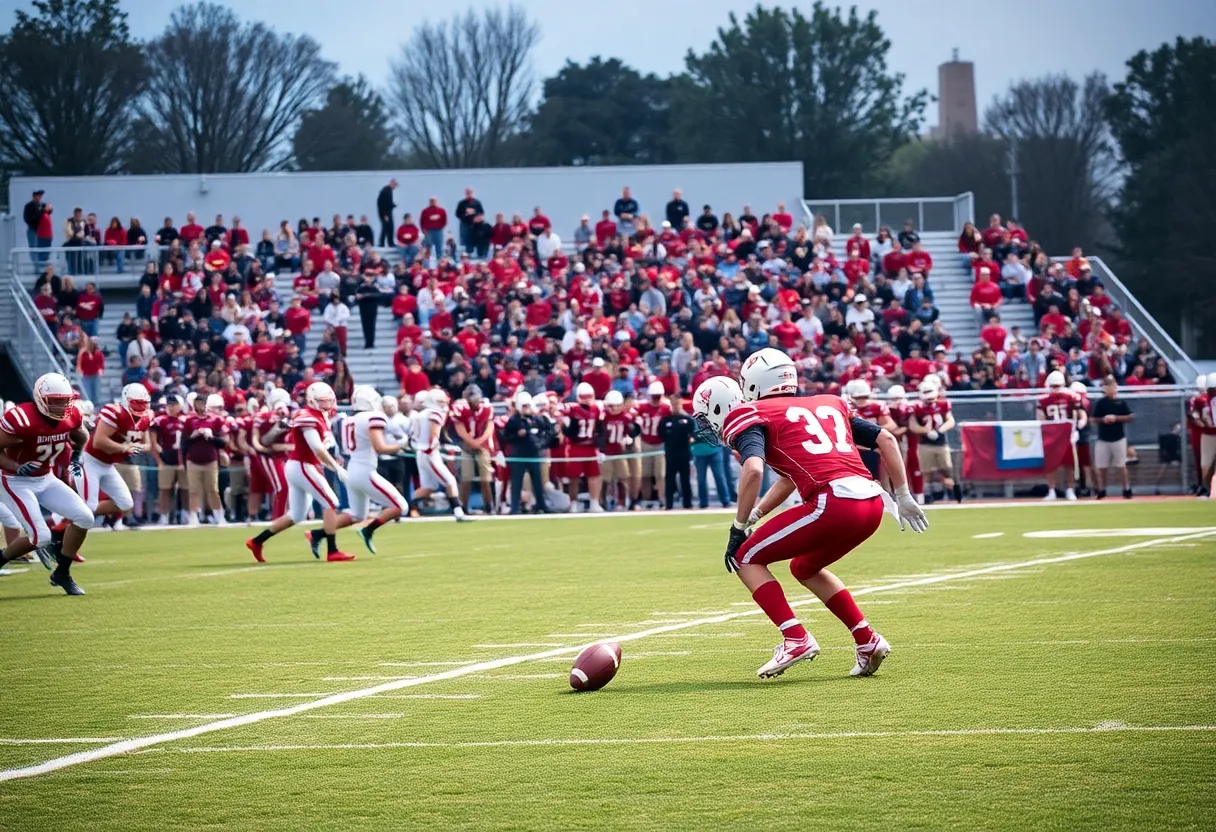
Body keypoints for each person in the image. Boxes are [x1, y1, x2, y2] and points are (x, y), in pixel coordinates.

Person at [697, 354, 926, 680]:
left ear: (751, 383)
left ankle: (795, 638)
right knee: (804, 566)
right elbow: (885, 439)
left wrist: (738, 526)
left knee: (744, 556)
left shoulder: (752, 413)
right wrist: (903, 496)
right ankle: (868, 640)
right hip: (873, 503)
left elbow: (752, 469)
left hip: (833, 503)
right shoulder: (829, 402)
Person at [0, 373, 94, 595]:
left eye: (65, 401)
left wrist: (76, 455)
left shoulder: (72, 415)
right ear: (41, 398)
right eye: (56, 401)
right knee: (40, 537)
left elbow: (81, 435)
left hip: (45, 477)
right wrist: (15, 465)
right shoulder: (21, 418)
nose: (62, 406)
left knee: (85, 517)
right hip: (15, 481)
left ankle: (62, 573)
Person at [246, 382, 355, 562]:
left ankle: (257, 541)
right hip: (302, 465)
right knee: (331, 502)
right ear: (312, 400)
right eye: (322, 401)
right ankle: (333, 550)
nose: (327, 404)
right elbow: (317, 448)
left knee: (296, 515)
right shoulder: (308, 417)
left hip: (299, 465)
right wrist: (335, 467)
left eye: (329, 400)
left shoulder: (317, 415)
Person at [335, 385, 411, 554]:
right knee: (401, 506)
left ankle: (317, 533)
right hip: (364, 470)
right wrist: (401, 446)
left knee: (357, 515)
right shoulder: (372, 417)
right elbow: (380, 447)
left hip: (352, 468)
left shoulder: (348, 419)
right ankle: (367, 530)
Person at [74, 384, 151, 530]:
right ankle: (63, 523)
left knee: (125, 503)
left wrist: (138, 447)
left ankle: (73, 513)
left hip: (109, 465)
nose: (140, 408)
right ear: (126, 400)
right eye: (137, 403)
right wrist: (124, 447)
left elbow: (147, 445)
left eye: (143, 403)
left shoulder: (146, 418)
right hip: (91, 461)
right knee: (89, 506)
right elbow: (98, 441)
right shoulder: (115, 412)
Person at [408, 389, 470, 521]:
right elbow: (434, 436)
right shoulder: (434, 413)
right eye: (441, 402)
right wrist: (433, 449)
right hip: (429, 453)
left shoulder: (421, 414)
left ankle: (409, 508)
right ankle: (458, 512)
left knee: (429, 487)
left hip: (421, 451)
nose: (444, 404)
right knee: (450, 481)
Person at [1035, 371, 1087, 501]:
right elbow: (1040, 419)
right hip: (1055, 434)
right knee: (1055, 464)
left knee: (1067, 464)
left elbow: (1081, 415)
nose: (1056, 389)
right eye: (1055, 386)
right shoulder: (1045, 399)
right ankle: (1055, 490)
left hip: (1064, 433)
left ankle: (1067, 490)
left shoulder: (1071, 396)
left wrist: (1078, 427)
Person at [908, 377, 961, 503]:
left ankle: (955, 494)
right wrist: (926, 431)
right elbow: (913, 425)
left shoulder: (943, 404)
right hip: (925, 443)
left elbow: (950, 420)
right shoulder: (916, 407)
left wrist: (940, 430)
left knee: (947, 469)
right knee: (925, 472)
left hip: (941, 443)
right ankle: (924, 498)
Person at [182, 394, 229, 526]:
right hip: (193, 459)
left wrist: (211, 437)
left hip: (211, 460)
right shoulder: (189, 420)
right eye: (197, 403)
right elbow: (184, 442)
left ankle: (219, 516)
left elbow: (224, 442)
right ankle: (193, 517)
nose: (200, 406)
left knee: (213, 490)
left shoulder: (216, 420)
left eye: (202, 403)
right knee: (194, 491)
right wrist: (193, 436)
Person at [248, 389, 292, 522]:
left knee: (284, 487)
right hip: (269, 455)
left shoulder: (279, 415)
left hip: (281, 454)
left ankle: (284, 515)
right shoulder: (265, 416)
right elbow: (260, 441)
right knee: (281, 487)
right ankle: (278, 518)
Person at [450, 385, 496, 514]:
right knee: (466, 477)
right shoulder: (460, 407)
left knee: (486, 477)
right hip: (466, 445)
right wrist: (471, 442)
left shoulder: (487, 407)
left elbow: (489, 426)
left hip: (482, 444)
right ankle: (463, 506)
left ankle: (489, 505)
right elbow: (459, 427)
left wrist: (479, 442)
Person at [1091, 375, 1134, 499]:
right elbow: (1093, 418)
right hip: (1103, 438)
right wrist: (1103, 420)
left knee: (1121, 465)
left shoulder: (1121, 402)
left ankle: (1126, 488)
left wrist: (1116, 418)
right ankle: (1102, 489)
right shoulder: (1101, 403)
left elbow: (1130, 416)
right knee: (1101, 466)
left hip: (1118, 437)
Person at [148, 395, 187, 525]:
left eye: (174, 404)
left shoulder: (185, 420)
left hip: (182, 462)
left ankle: (185, 515)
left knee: (185, 490)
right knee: (164, 490)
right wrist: (159, 461)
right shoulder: (160, 420)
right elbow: (153, 443)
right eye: (169, 404)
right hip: (167, 461)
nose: (171, 407)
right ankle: (164, 515)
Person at [634, 381, 671, 509]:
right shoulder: (641, 407)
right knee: (645, 474)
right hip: (645, 442)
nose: (656, 399)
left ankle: (662, 498)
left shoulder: (666, 408)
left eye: (658, 396)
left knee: (660, 474)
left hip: (660, 444)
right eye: (654, 396)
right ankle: (646, 498)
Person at [658, 389, 695, 510]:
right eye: (672, 403)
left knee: (685, 480)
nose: (674, 406)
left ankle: (687, 504)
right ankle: (668, 504)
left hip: (684, 454)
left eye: (677, 403)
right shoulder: (665, 420)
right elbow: (661, 434)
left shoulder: (688, 420)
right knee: (670, 480)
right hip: (670, 454)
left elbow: (692, 436)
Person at [377, 178, 398, 247]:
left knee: (390, 227)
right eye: (394, 185)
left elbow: (389, 202)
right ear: (391, 183)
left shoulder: (389, 191)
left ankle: (390, 242)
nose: (395, 187)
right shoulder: (385, 191)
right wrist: (385, 215)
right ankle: (382, 243)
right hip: (385, 213)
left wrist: (393, 205)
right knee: (385, 227)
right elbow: (382, 204)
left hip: (388, 212)